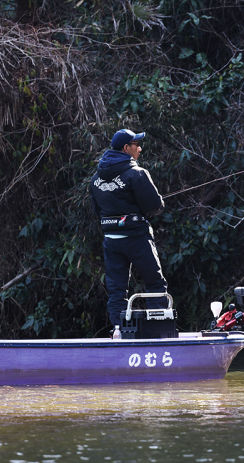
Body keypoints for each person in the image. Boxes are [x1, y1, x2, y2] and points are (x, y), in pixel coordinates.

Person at [89, 128, 169, 329]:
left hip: (111, 240)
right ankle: (158, 331)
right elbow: (155, 207)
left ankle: (118, 333)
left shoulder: (95, 180)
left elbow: (96, 210)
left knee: (117, 292)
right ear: (126, 148)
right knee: (155, 285)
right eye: (136, 145)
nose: (140, 149)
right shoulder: (137, 173)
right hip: (137, 237)